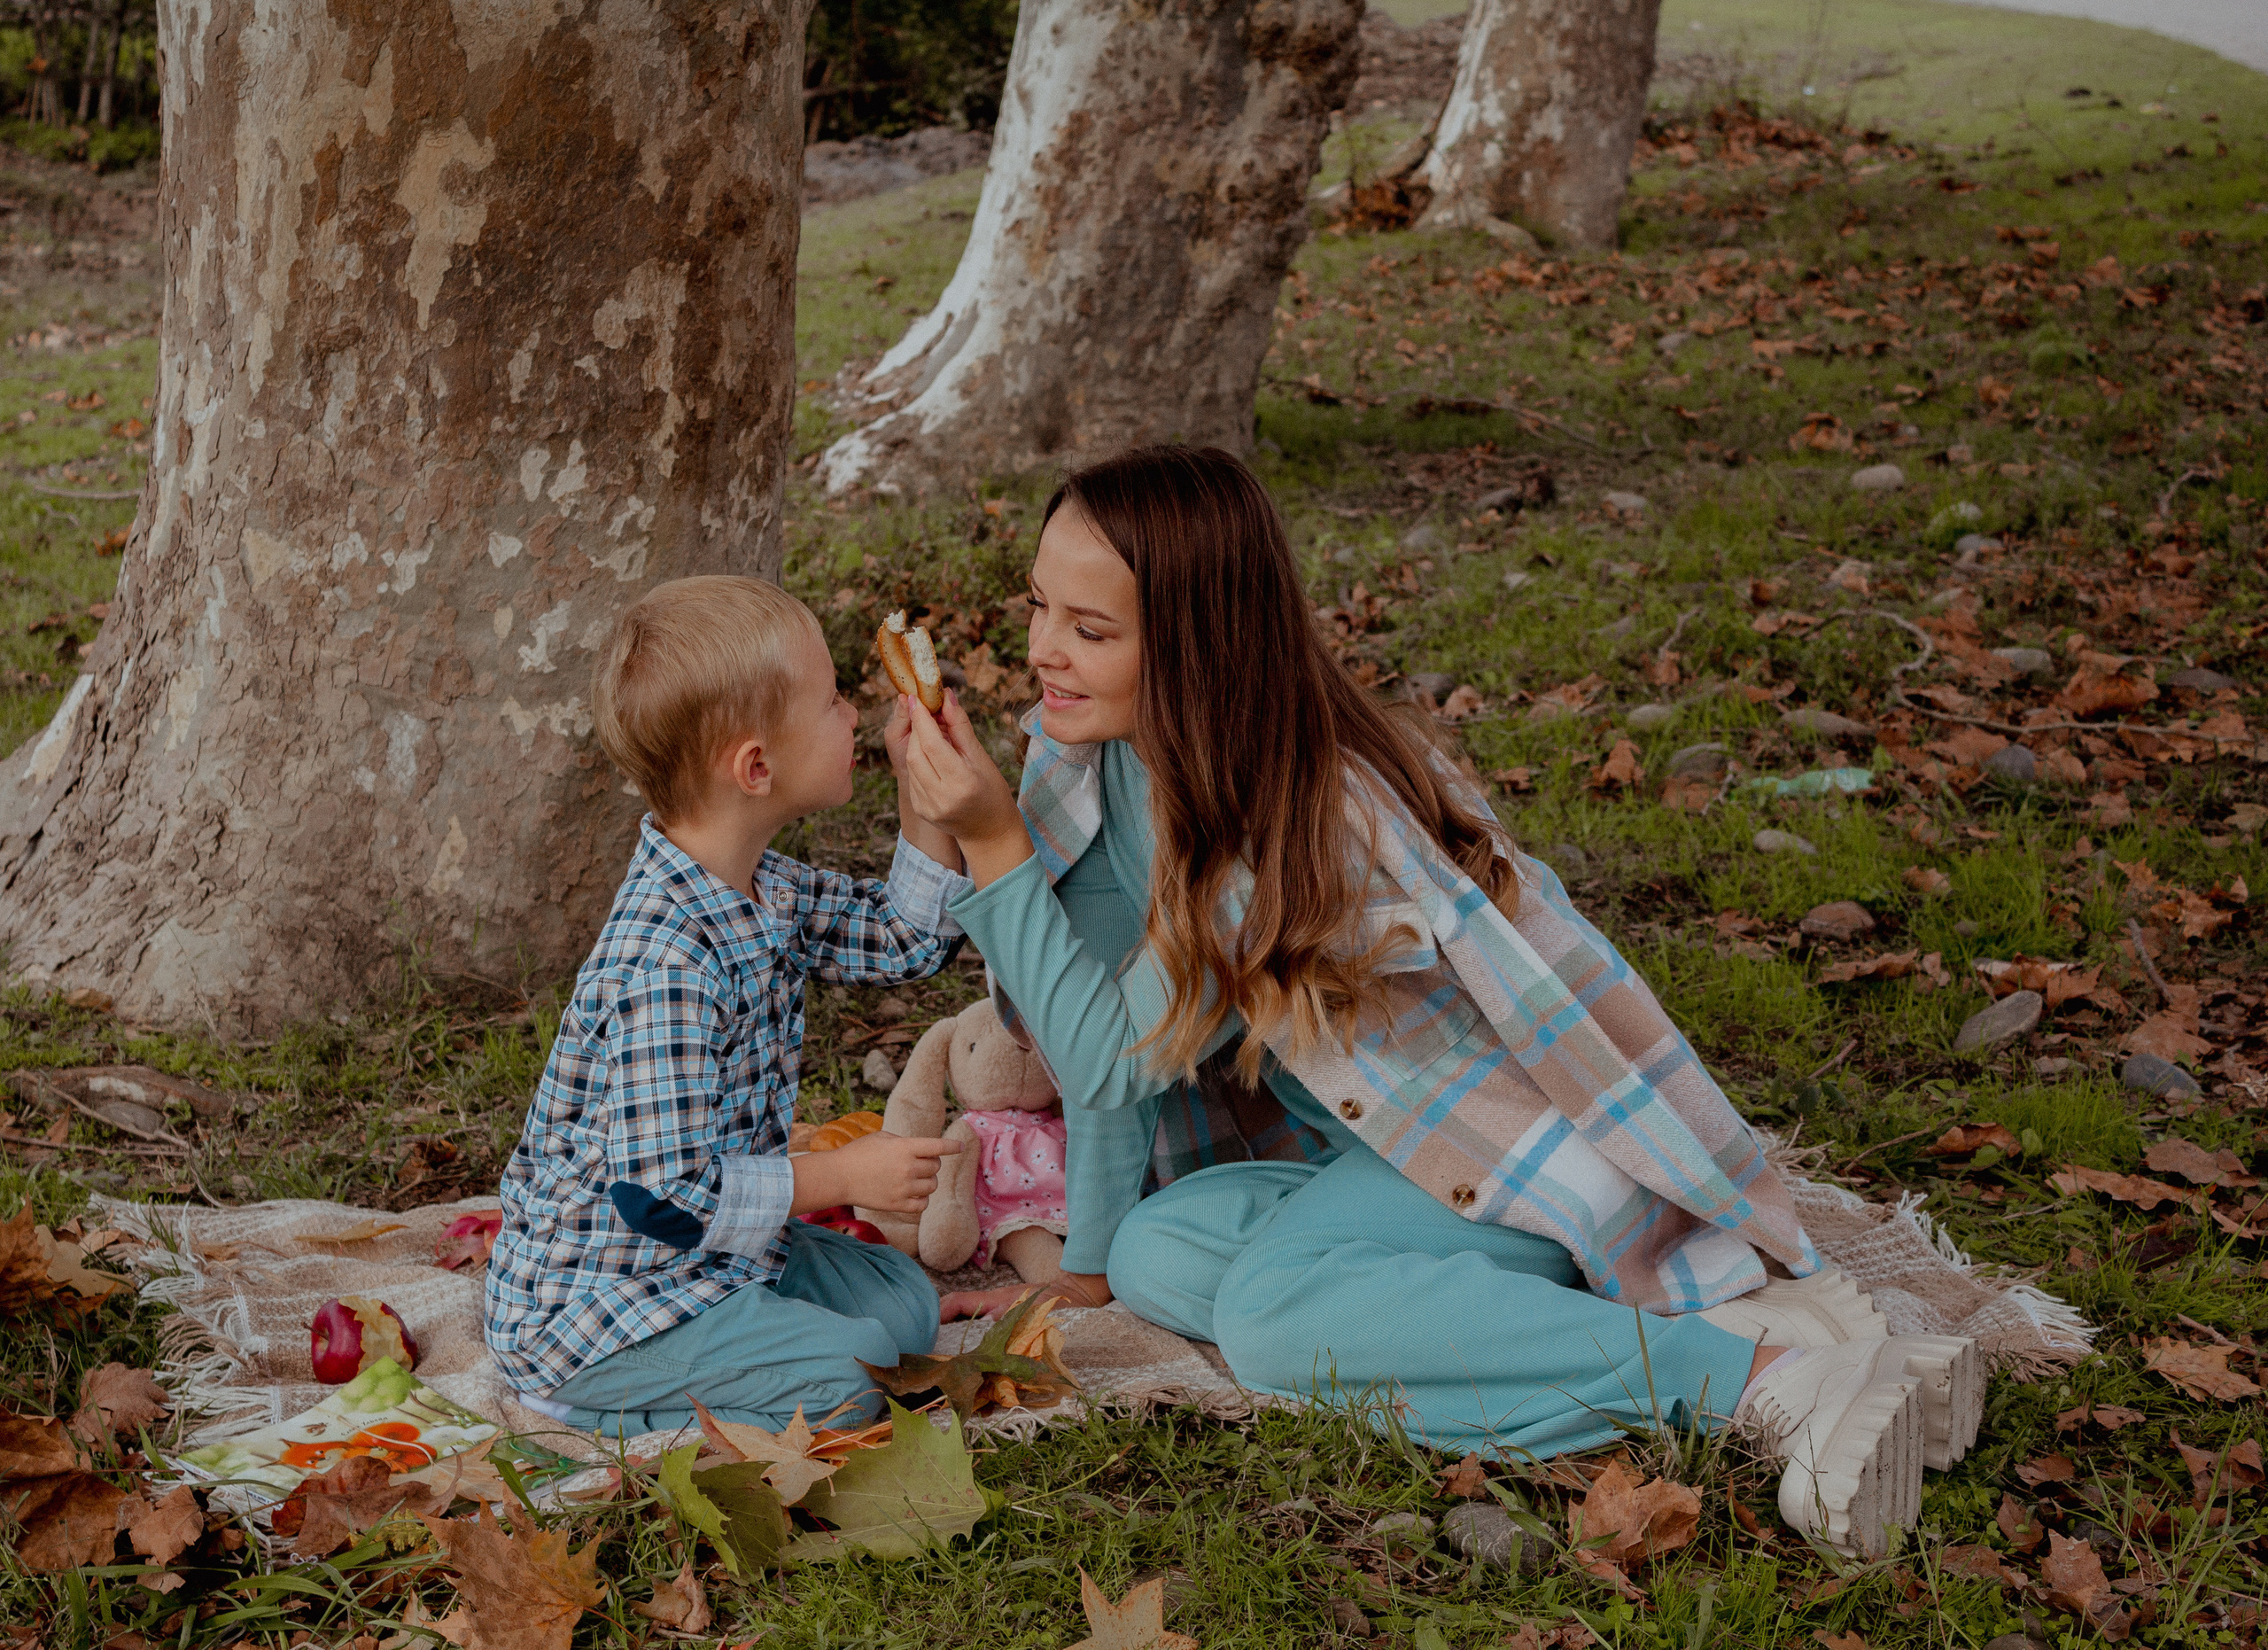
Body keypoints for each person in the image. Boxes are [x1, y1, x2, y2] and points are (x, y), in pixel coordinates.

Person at [898, 447, 1981, 1557]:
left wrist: (992, 846)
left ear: (1191, 648)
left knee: (1271, 1317)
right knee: (1153, 1254)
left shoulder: (1276, 814)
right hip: (1376, 1155)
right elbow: (1093, 1029)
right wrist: (1085, 1266)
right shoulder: (1093, 766)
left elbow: (1111, 1054)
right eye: (1040, 605)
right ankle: (1688, 1346)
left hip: (1510, 1148)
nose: (1041, 650)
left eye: (1090, 628)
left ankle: (1760, 1377)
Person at [485, 575, 969, 1437]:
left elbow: (905, 939)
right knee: (848, 1377)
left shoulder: (761, 889)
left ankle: (754, 1332)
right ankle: (583, 1397)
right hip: (605, 1298)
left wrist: (921, 792)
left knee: (905, 1308)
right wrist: (848, 1176)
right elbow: (661, 1198)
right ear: (756, 766)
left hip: (710, 1256)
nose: (854, 713)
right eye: (830, 701)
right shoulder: (664, 960)